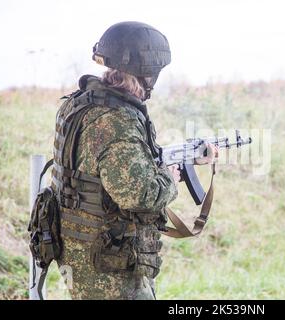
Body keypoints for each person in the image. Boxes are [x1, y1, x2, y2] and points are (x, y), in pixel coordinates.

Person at [51, 21, 217, 299]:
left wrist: (183, 159)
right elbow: (139, 194)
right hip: (108, 263)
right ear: (148, 73)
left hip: (77, 244)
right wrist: (169, 178)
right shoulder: (117, 121)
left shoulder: (79, 103)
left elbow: (106, 163)